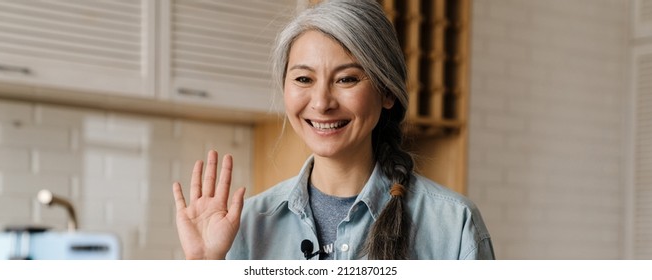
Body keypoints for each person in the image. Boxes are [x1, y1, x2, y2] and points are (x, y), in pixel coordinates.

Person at [172, 0, 494, 260]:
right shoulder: (247, 225)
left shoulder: (454, 225)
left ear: (387, 92)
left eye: (346, 79)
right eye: (303, 79)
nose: (322, 102)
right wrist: (205, 265)